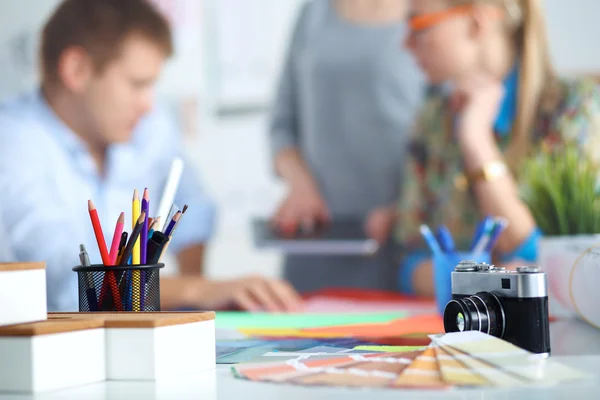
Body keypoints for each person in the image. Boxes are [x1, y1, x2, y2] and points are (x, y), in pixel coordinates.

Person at [0, 0, 302, 313]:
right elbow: (67, 284)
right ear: (77, 70)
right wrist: (197, 291)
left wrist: (194, 299)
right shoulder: (13, 141)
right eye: (137, 84)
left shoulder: (147, 125)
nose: (148, 103)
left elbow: (194, 206)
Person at [387, 0, 600, 297]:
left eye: (418, 25)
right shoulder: (433, 117)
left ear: (477, 23)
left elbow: (567, 270)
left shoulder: (575, 110)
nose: (405, 43)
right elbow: (408, 263)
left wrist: (476, 140)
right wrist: (489, 279)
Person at [269, 0, 426, 293]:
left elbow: (446, 137)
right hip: (316, 240)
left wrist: (406, 207)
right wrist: (300, 184)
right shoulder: (313, 12)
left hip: (398, 241)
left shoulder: (427, 11)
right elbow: (281, 126)